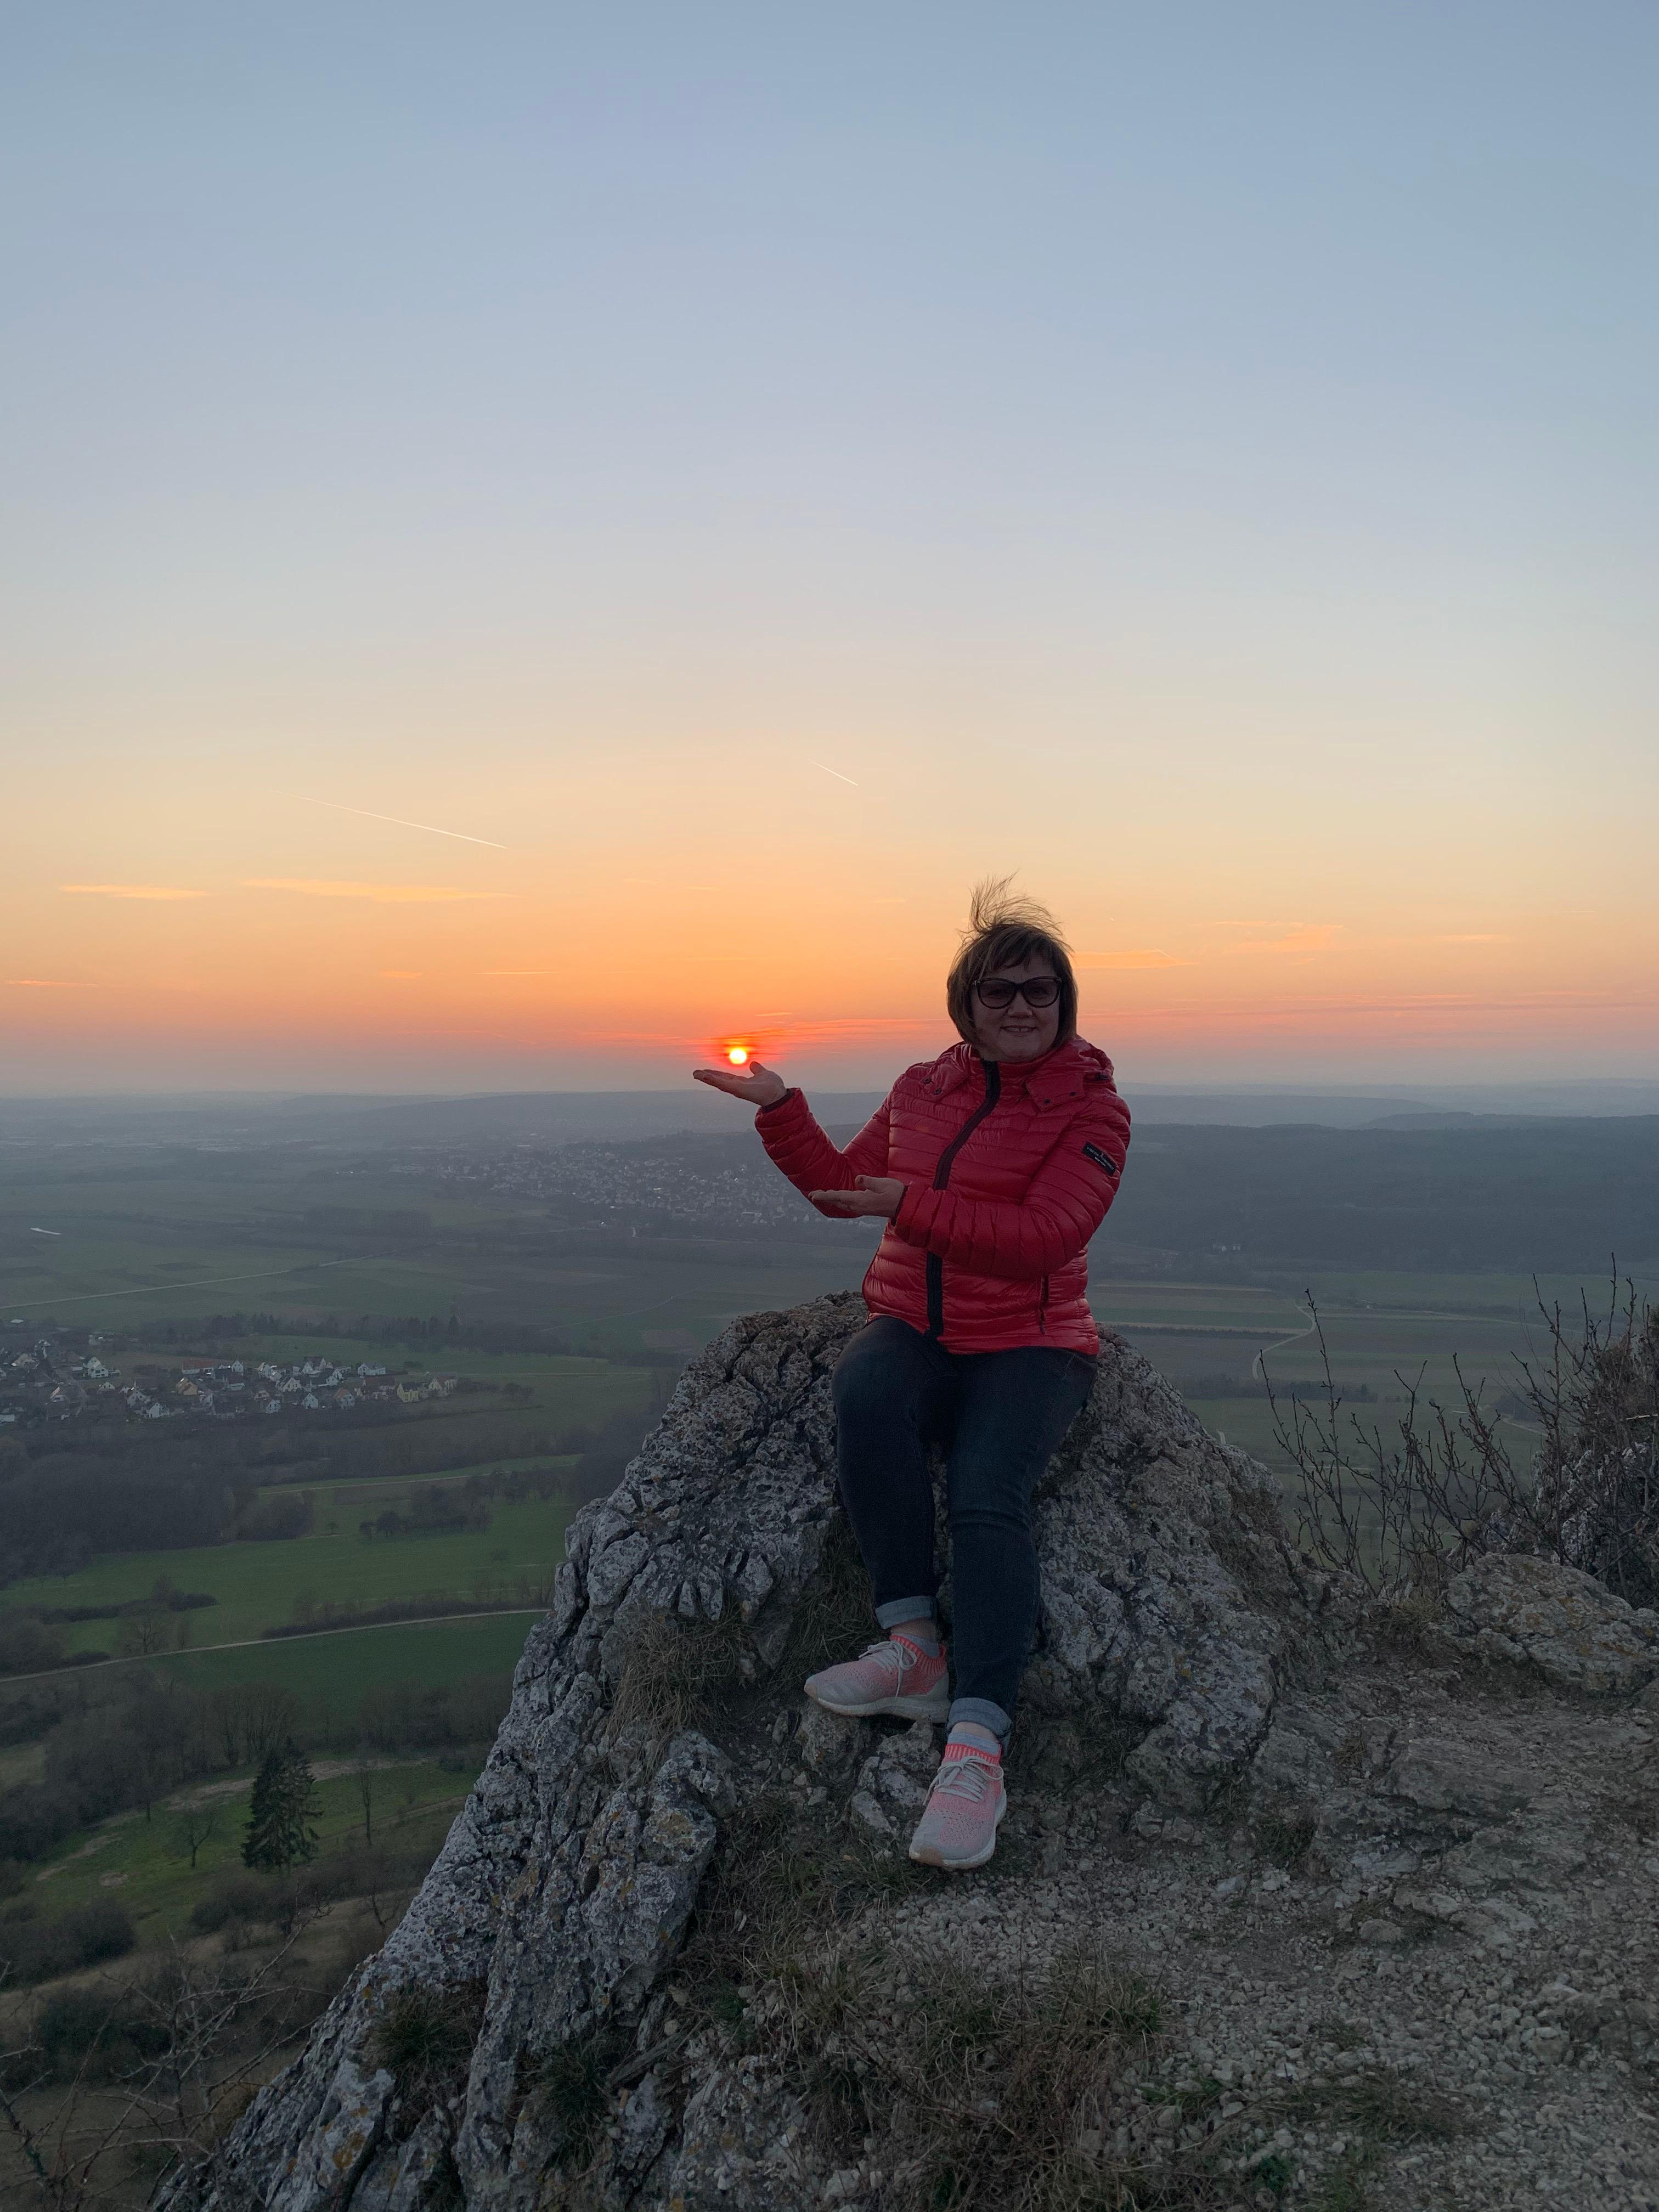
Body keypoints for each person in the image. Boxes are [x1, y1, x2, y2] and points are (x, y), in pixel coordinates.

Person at [693, 881, 1130, 1870]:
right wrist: (782, 1112)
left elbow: (1046, 1238)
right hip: (918, 1326)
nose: (1021, 1006)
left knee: (985, 1490)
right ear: (964, 1005)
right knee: (866, 1393)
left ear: (1065, 1004)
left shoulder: (1095, 1111)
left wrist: (914, 1204)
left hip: (1032, 1340)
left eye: (1040, 991)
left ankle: (976, 1745)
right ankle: (912, 1647)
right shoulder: (921, 1090)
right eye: (998, 991)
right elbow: (844, 1192)